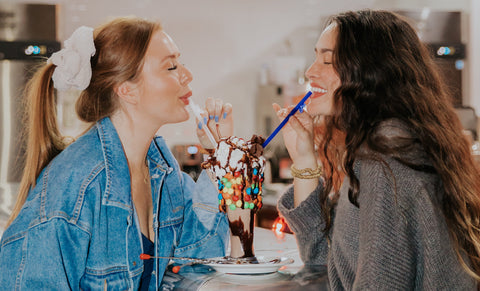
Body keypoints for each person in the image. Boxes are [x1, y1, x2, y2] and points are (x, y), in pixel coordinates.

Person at [0, 17, 232, 290]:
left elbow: (202, 254)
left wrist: (222, 152)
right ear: (127, 90)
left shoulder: (162, 171)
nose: (187, 74)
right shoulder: (76, 184)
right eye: (171, 66)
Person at [274, 9, 480, 290]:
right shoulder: (384, 143)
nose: (311, 71)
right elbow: (324, 264)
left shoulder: (383, 158)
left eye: (328, 60)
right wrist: (304, 159)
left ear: (370, 72)